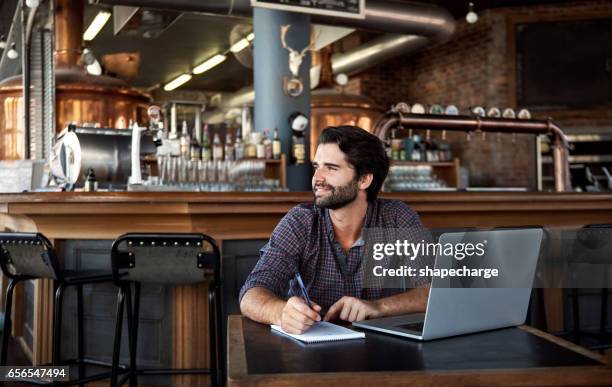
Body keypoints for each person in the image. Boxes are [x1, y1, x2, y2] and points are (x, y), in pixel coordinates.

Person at [240, 125, 431, 334]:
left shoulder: (397, 218)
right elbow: (251, 293)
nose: (317, 178)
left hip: (380, 350)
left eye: (331, 168)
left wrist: (378, 307)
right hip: (309, 353)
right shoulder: (300, 222)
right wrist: (281, 312)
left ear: (364, 179)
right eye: (316, 166)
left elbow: (433, 291)